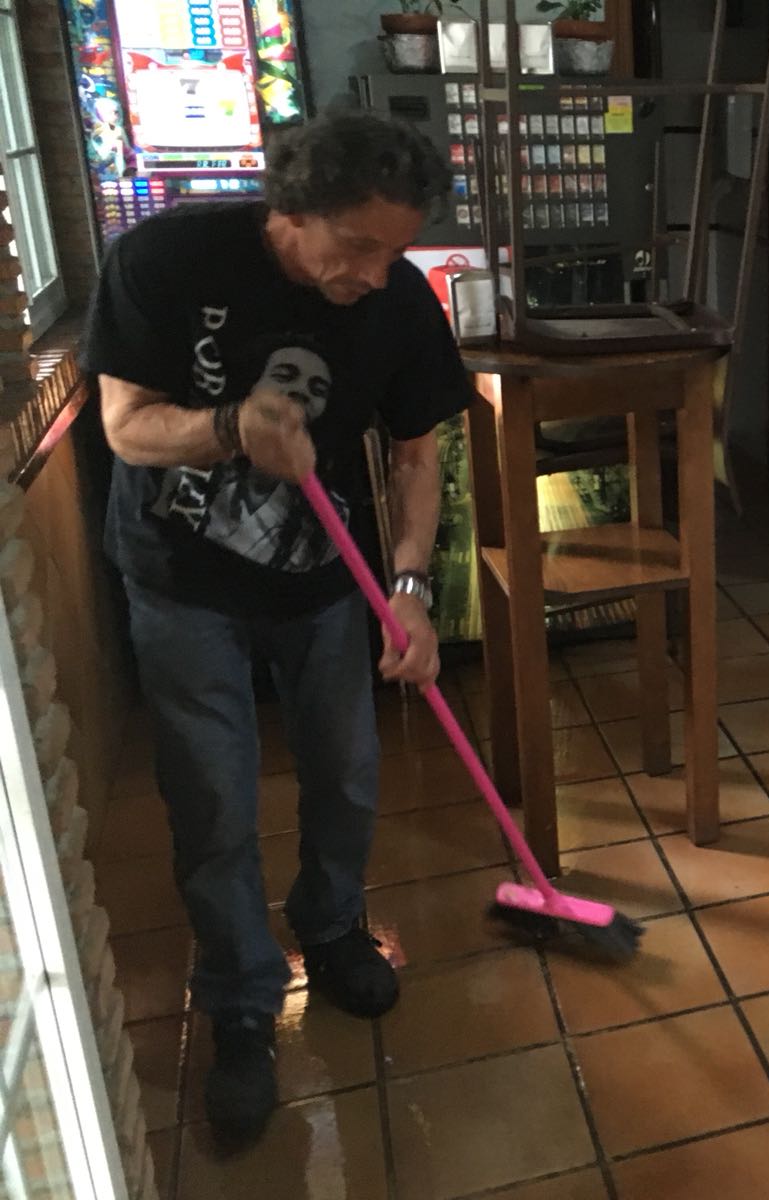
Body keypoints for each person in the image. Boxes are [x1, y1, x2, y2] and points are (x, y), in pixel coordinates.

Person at [84, 112, 476, 1145]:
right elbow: (126, 427)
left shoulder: (396, 297)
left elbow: (414, 454)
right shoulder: (163, 258)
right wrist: (227, 431)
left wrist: (410, 588)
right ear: (289, 212)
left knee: (346, 773)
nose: (376, 271)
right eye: (355, 246)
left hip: (321, 587)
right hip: (181, 585)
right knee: (212, 797)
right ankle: (242, 1001)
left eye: (396, 248)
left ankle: (335, 926)